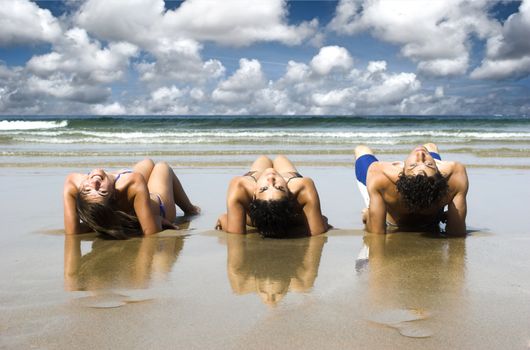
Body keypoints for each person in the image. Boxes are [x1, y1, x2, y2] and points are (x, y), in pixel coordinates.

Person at [63, 159, 200, 239]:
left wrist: (97, 224)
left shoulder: (73, 182)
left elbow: (73, 231)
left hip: (134, 195)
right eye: (102, 191)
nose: (94, 184)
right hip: (160, 207)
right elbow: (151, 234)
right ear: (114, 195)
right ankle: (191, 209)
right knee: (162, 166)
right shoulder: (133, 182)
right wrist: (157, 220)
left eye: (87, 190)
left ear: (80, 193)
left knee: (147, 162)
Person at [354, 143, 468, 236]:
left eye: (412, 165)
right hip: (430, 216)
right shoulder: (455, 174)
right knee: (430, 146)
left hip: (395, 220)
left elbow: (376, 234)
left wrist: (369, 217)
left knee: (361, 149)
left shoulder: (378, 173)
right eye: (429, 164)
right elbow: (457, 232)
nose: (420, 154)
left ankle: (368, 214)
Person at [216, 155, 330, 238]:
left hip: (256, 216)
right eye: (279, 188)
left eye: (264, 189)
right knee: (280, 158)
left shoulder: (240, 186)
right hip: (288, 188)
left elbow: (234, 232)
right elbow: (320, 227)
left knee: (263, 159)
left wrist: (223, 219)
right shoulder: (303, 186)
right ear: (290, 195)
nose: (271, 179)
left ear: (254, 196)